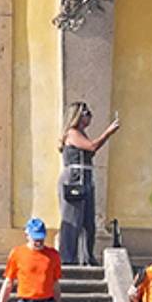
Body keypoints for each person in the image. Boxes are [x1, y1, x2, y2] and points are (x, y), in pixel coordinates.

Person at [57, 101, 119, 265]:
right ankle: (68, 257)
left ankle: (87, 256)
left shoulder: (82, 134)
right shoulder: (72, 133)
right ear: (77, 115)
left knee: (88, 221)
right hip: (74, 178)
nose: (90, 116)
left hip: (85, 177)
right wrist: (108, 132)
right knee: (72, 218)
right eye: (87, 113)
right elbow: (91, 147)